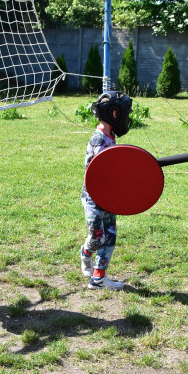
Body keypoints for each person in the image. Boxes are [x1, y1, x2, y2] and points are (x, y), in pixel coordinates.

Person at [80, 91, 134, 290]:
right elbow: (101, 172)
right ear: (114, 113)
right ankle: (85, 255)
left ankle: (99, 279)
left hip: (109, 197)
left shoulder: (109, 136)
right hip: (94, 198)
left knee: (109, 236)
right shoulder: (99, 140)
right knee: (97, 237)